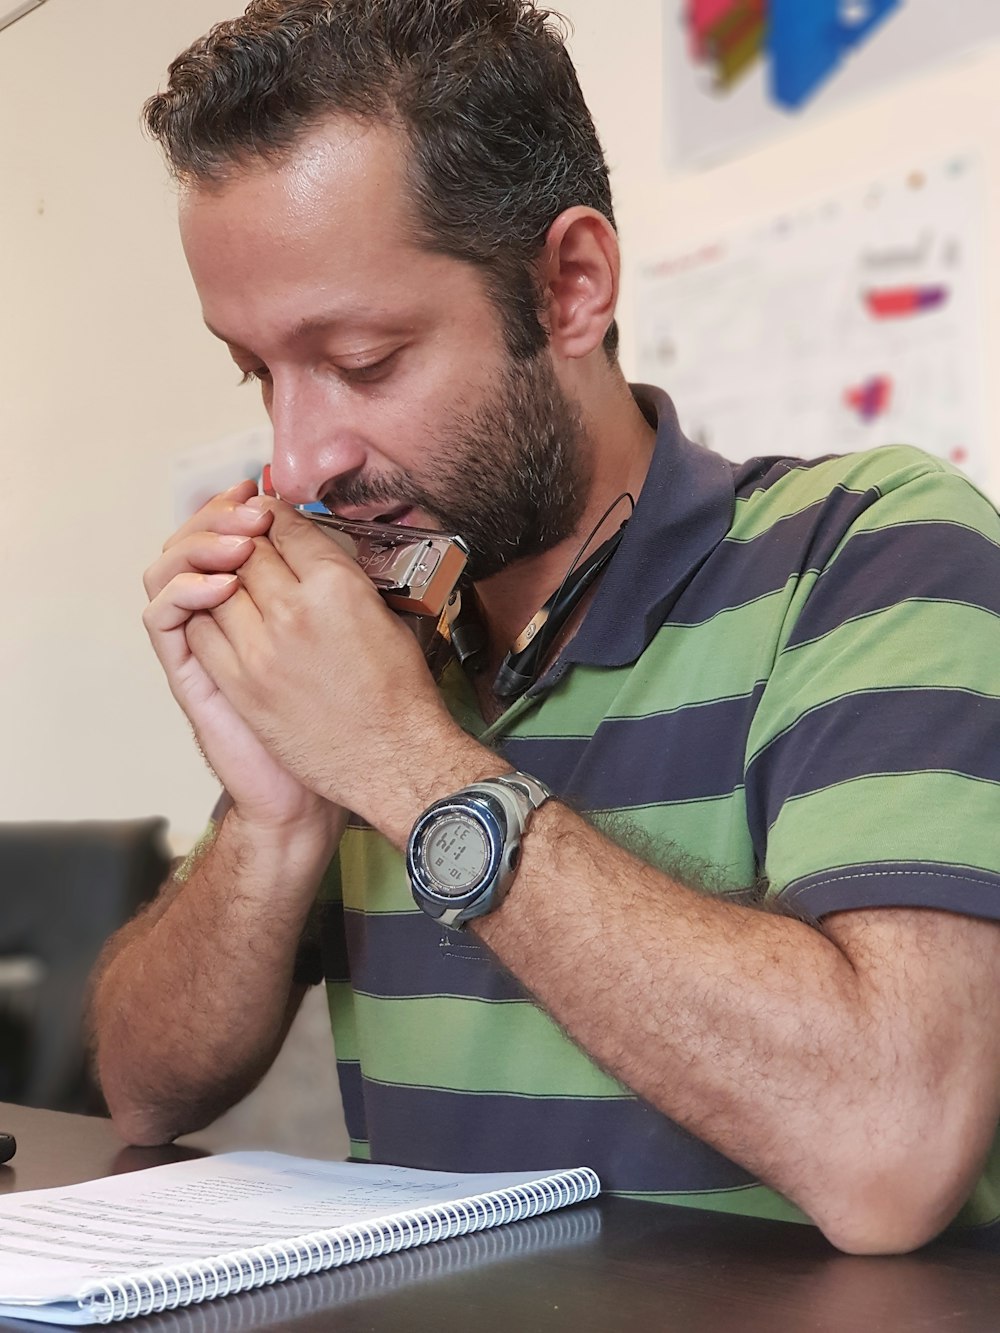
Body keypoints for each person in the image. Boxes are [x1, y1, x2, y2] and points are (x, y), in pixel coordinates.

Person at [89, 0, 1000, 1255]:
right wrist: (273, 813)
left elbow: (889, 1149)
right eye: (258, 372)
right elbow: (141, 1089)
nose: (297, 461)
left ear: (571, 287)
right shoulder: (373, 634)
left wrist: (405, 765)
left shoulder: (870, 549)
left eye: (361, 360)